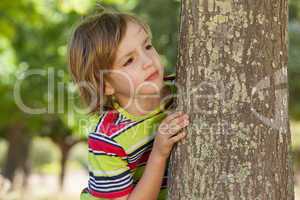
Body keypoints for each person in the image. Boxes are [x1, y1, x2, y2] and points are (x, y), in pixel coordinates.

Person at [68, 10, 190, 200]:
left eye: (147, 46)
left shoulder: (180, 91)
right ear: (106, 85)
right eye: (129, 60)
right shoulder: (107, 141)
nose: (147, 61)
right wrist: (158, 154)